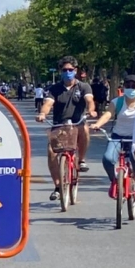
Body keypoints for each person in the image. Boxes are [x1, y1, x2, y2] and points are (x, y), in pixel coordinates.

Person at [36, 56, 97, 201]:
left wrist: (92, 110)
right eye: (65, 70)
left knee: (85, 130)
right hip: (59, 125)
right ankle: (57, 187)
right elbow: (48, 104)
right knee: (51, 152)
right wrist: (43, 113)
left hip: (77, 123)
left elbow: (89, 101)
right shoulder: (55, 89)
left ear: (75, 70)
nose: (68, 72)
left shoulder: (83, 86)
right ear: (60, 71)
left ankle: (81, 160)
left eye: (70, 69)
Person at [90, 75, 135, 201]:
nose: (130, 88)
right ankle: (115, 181)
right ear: (123, 88)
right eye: (127, 86)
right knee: (108, 159)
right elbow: (108, 115)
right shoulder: (117, 102)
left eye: (134, 86)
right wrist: (97, 124)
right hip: (117, 136)